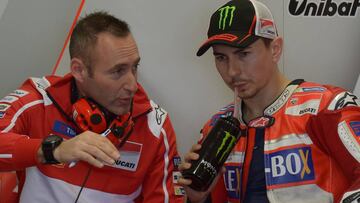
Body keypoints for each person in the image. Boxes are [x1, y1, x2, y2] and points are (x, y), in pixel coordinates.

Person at [178, 0, 360, 202]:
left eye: (243, 54)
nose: (232, 71)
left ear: (275, 49)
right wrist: (199, 198)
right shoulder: (215, 129)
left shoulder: (327, 107)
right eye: (221, 58)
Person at [0, 11, 184, 203]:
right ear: (79, 70)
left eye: (134, 67)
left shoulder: (155, 125)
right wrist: (53, 151)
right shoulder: (40, 98)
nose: (132, 85)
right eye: (118, 71)